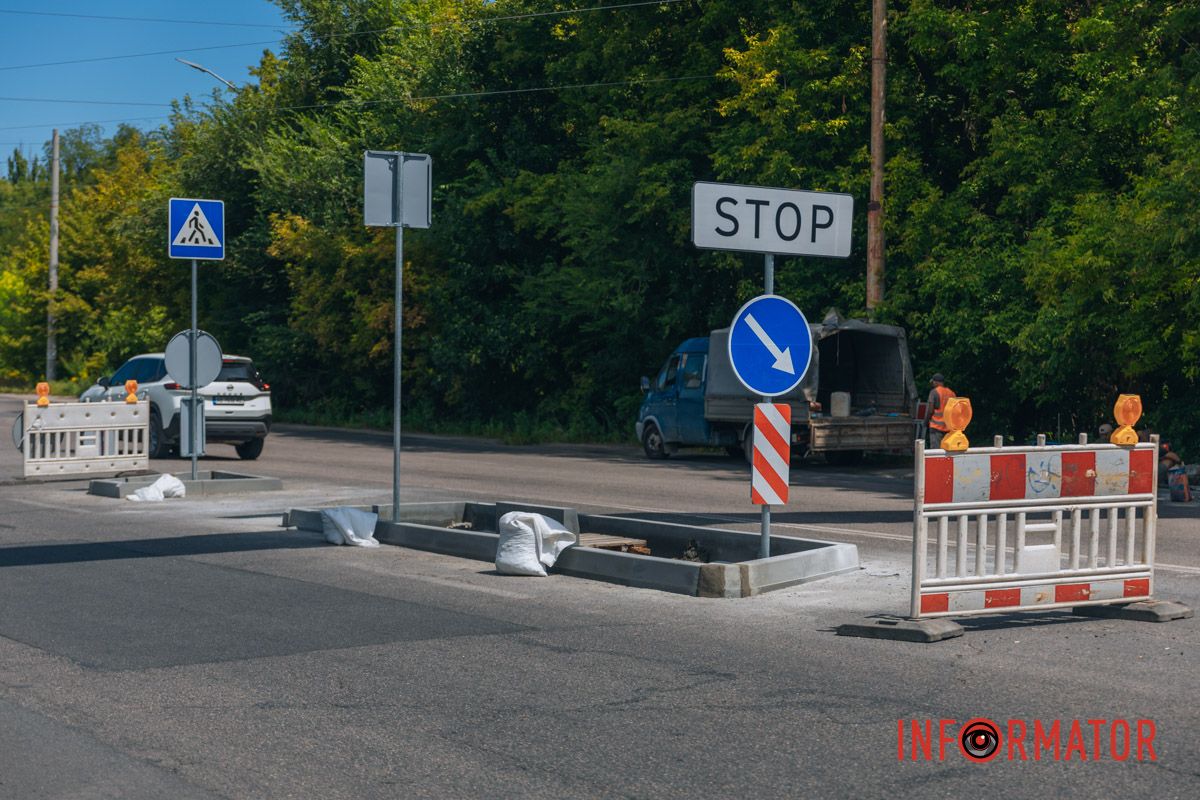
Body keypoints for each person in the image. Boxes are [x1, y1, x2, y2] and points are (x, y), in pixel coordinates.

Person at [925, 373, 955, 449]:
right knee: (947, 450)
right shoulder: (951, 393)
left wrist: (926, 421)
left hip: (936, 427)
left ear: (936, 382)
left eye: (933, 382)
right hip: (948, 427)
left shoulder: (934, 392)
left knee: (935, 452)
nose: (932, 384)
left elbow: (930, 410)